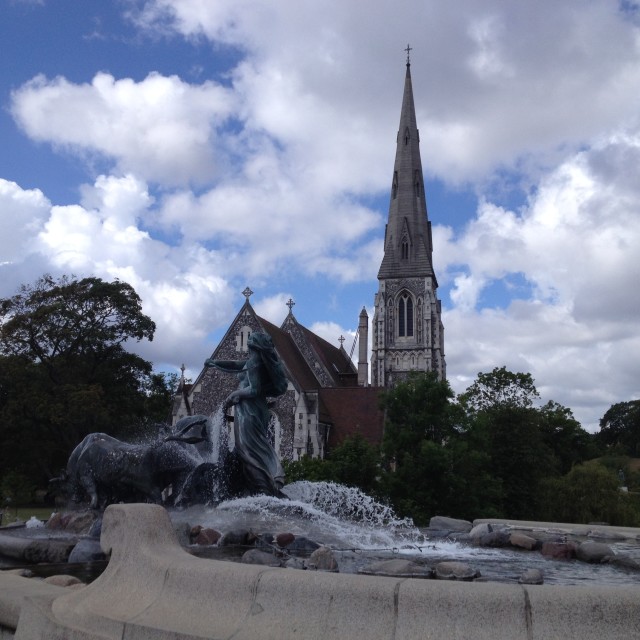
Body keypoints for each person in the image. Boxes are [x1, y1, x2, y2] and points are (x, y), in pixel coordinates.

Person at [204, 332, 288, 497]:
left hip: (250, 410)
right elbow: (236, 364)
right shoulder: (253, 362)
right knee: (252, 447)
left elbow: (254, 389)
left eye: (249, 345)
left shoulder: (255, 364)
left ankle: (264, 487)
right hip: (251, 408)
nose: (247, 348)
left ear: (254, 347)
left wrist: (234, 395)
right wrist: (215, 363)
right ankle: (258, 484)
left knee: (249, 449)